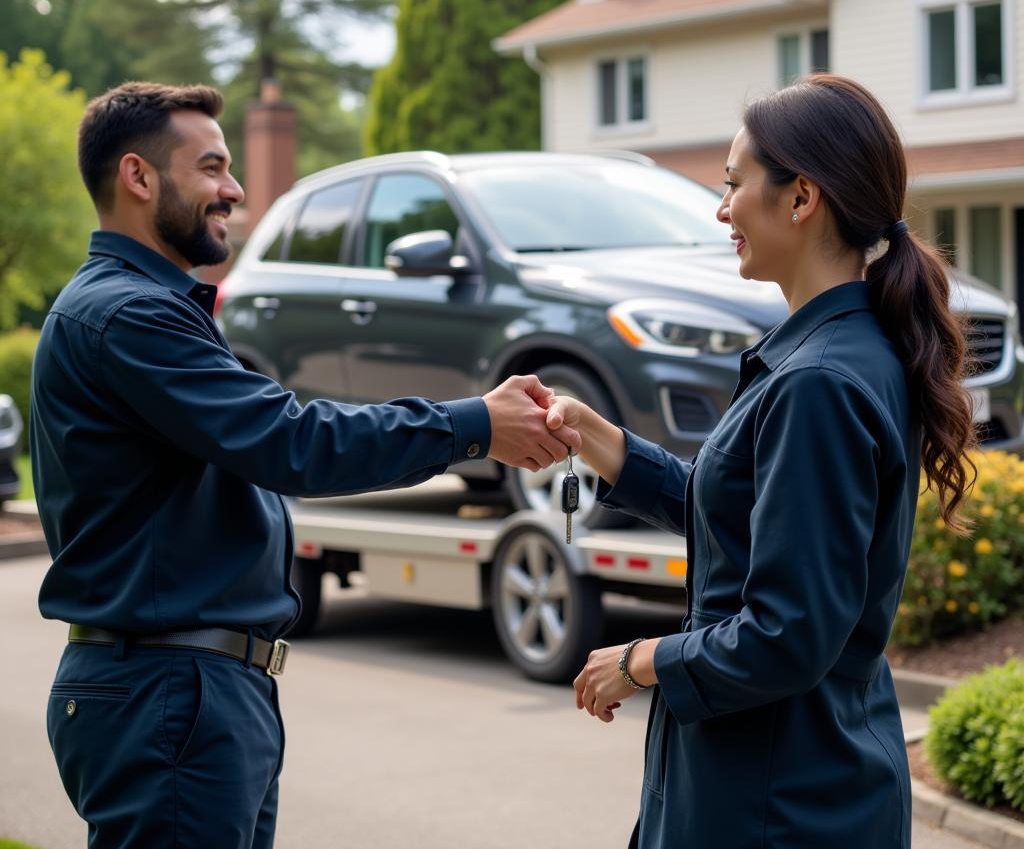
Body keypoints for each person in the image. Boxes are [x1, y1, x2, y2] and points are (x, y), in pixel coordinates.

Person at [31, 81, 579, 849]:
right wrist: (474, 424)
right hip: (169, 692)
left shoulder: (146, 309)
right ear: (138, 177)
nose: (235, 190)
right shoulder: (131, 316)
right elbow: (293, 441)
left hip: (191, 692)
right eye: (213, 167)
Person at [543, 74, 976, 848]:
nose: (721, 210)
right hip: (792, 780)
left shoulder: (818, 383)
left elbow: (787, 632)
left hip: (777, 802)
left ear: (801, 197)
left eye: (734, 185)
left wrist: (641, 661)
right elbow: (745, 524)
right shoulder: (842, 355)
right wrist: (599, 440)